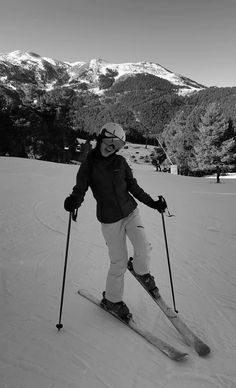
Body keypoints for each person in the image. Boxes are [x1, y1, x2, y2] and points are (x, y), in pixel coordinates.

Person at [64, 122, 167, 320]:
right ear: (102, 137)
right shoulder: (89, 165)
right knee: (118, 262)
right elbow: (80, 189)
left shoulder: (120, 163)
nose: (112, 148)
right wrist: (74, 201)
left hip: (130, 212)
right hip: (110, 220)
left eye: (117, 146)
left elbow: (134, 188)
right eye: (110, 142)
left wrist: (153, 203)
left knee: (143, 248)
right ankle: (112, 300)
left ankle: (141, 271)